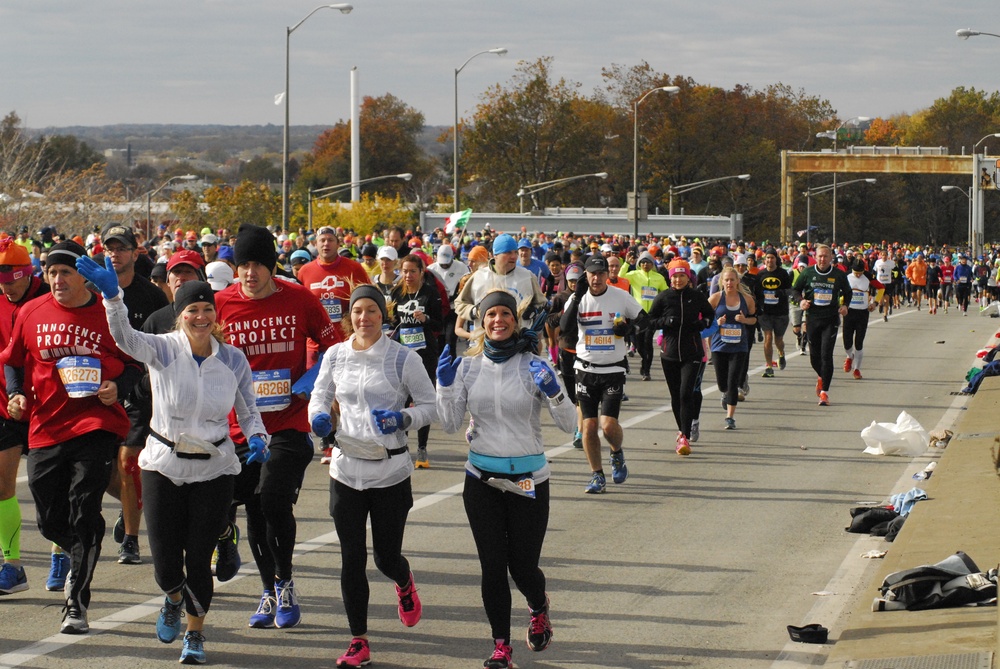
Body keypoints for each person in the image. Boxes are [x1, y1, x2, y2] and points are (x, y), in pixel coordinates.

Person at [76, 258, 269, 664]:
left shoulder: (233, 359)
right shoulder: (163, 350)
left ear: (215, 314)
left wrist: (257, 436)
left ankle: (195, 635)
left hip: (214, 467)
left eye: (206, 309)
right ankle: (173, 598)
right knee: (166, 564)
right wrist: (113, 297)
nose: (200, 317)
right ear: (180, 316)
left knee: (199, 558)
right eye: (191, 310)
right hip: (163, 464)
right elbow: (125, 338)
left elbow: (249, 409)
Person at [1, 240, 141, 634]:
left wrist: (118, 385)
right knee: (49, 521)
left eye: (65, 272)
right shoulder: (31, 311)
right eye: (51, 273)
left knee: (84, 509)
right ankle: (82, 547)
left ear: (84, 275)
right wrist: (15, 393)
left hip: (96, 425)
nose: (58, 280)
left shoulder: (109, 317)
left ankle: (76, 601)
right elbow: (12, 359)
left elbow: (134, 363)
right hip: (45, 426)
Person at [436, 290, 575, 669]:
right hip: (481, 479)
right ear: (481, 322)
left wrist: (554, 392)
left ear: (515, 320)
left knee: (523, 567)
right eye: (491, 314)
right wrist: (444, 385)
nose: (498, 320)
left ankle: (538, 604)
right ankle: (501, 646)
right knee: (493, 566)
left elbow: (570, 425)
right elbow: (449, 425)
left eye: (505, 314)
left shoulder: (535, 364)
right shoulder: (468, 367)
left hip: (529, 481)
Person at [215, 224, 339, 630]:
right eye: (243, 265)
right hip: (241, 428)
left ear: (272, 266)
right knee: (254, 511)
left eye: (258, 265)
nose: (249, 273)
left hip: (288, 423)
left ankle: (285, 583)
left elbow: (333, 347)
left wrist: (309, 383)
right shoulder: (220, 304)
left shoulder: (300, 299)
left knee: (272, 498)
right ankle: (268, 591)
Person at [307, 285, 436, 668]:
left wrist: (403, 418)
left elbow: (432, 407)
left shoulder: (403, 358)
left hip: (390, 471)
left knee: (384, 556)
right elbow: (319, 393)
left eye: (372, 312)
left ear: (384, 315)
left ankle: (404, 580)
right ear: (351, 315)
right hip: (346, 468)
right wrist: (317, 419)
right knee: (351, 558)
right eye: (358, 311)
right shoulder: (336, 355)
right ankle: (358, 640)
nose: (364, 319)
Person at [99, 223, 170, 567]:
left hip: (140, 390)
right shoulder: (92, 290)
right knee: (104, 469)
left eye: (121, 248)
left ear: (134, 252)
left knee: (128, 461)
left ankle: (130, 539)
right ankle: (132, 508)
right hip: (97, 389)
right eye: (109, 248)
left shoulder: (151, 296)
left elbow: (165, 345)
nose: (115, 254)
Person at [560, 255, 645, 493]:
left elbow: (645, 320)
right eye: (592, 273)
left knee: (607, 426)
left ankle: (616, 453)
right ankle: (596, 475)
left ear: (608, 275)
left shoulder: (620, 296)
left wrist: (629, 329)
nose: (596, 278)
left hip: (613, 370)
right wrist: (576, 297)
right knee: (588, 427)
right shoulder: (578, 298)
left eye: (601, 273)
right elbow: (565, 327)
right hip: (585, 369)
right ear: (585, 275)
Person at [0, 239, 48, 594]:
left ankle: (134, 513)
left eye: (11, 279)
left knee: (60, 488)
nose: (5, 287)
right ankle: (13, 566)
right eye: (0, 281)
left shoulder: (49, 297)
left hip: (53, 404)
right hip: (7, 403)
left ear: (27, 274)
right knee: (2, 486)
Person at [647, 259, 713, 453]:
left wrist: (702, 324)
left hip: (692, 351)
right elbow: (650, 321)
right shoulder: (663, 297)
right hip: (669, 353)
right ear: (670, 278)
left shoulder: (697, 296)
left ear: (688, 277)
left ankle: (684, 436)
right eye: (674, 276)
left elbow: (710, 315)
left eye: (681, 275)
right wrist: (665, 321)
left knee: (686, 393)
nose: (677, 279)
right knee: (676, 395)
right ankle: (681, 430)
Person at [389, 254, 444, 468]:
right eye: (404, 271)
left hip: (425, 354)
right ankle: (400, 445)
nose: (408, 275)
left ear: (421, 272)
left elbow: (439, 323)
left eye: (413, 271)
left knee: (423, 400)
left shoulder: (430, 294)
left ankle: (422, 447)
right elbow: (392, 321)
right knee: (400, 398)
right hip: (401, 354)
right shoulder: (397, 293)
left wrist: (426, 319)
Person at [793, 244, 852, 406]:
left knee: (826, 355)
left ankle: (824, 392)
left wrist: (845, 305)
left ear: (831, 258)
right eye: (820, 256)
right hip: (813, 318)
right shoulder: (808, 273)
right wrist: (802, 301)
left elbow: (848, 292)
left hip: (831, 319)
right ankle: (821, 376)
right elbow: (795, 290)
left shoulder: (838, 275)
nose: (822, 259)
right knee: (815, 357)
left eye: (826, 256)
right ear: (815, 257)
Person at [454, 234, 548, 335]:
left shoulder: (527, 276)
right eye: (508, 252)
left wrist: (532, 311)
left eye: (515, 252)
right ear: (495, 255)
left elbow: (542, 303)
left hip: (519, 342)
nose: (513, 256)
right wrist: (475, 311)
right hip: (486, 344)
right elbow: (460, 304)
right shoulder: (479, 277)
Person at [708, 267, 756, 429]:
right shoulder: (715, 299)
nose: (729, 283)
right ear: (722, 281)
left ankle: (730, 417)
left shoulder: (747, 299)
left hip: (739, 347)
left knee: (733, 382)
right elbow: (706, 322)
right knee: (723, 383)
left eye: (732, 280)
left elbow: (754, 320)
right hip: (719, 347)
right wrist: (717, 323)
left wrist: (744, 320)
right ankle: (725, 393)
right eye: (726, 280)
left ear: (738, 281)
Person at [621, 251, 667, 381]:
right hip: (638, 314)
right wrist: (626, 263)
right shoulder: (634, 275)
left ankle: (646, 370)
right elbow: (620, 277)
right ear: (639, 264)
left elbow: (665, 292)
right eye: (643, 262)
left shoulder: (658, 277)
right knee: (640, 344)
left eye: (648, 262)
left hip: (652, 315)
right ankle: (644, 360)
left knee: (648, 342)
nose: (645, 264)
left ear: (652, 264)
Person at [753, 247, 793, 376]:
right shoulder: (760, 275)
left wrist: (780, 293)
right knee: (768, 337)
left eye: (772, 258)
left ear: (776, 259)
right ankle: (769, 366)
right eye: (768, 258)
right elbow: (756, 293)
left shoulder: (783, 274)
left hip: (780, 312)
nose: (770, 260)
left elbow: (790, 290)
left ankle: (781, 353)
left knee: (778, 340)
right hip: (765, 312)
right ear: (764, 260)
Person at [842, 258, 881, 380]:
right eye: (856, 273)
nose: (858, 275)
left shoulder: (868, 276)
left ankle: (857, 369)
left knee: (859, 342)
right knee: (847, 342)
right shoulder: (845, 275)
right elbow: (837, 290)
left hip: (863, 312)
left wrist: (875, 303)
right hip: (849, 311)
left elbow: (881, 288)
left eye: (860, 272)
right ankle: (849, 356)